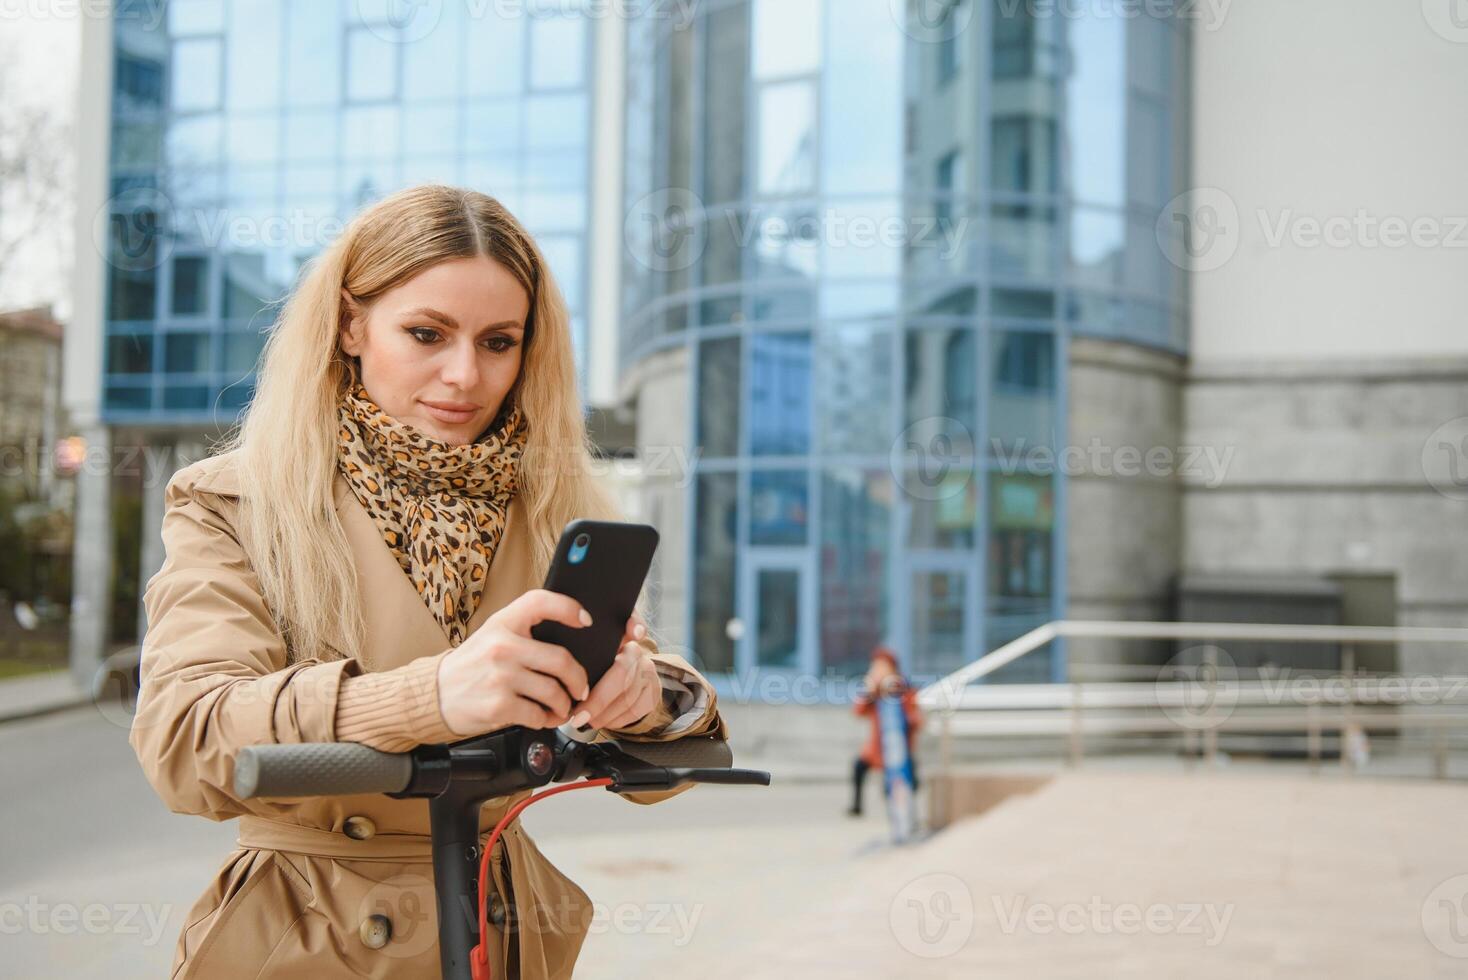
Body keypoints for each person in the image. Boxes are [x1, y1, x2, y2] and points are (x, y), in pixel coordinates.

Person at [129, 185, 727, 980]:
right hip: (305, 941)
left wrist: (646, 699)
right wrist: (431, 697)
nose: (464, 376)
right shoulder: (233, 500)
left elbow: (685, 759)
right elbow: (185, 739)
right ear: (350, 323)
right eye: (426, 333)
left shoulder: (550, 502)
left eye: (499, 342)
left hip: (495, 932)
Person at [848, 647, 923, 817]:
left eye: (883, 667)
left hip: (900, 748)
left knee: (906, 780)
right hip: (876, 748)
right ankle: (857, 805)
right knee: (859, 767)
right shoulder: (875, 693)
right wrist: (868, 689)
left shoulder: (906, 691)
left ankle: (908, 814)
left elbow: (916, 719)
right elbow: (858, 711)